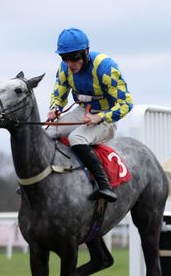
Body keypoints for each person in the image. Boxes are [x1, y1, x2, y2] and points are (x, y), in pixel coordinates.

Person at [46, 27, 133, 202]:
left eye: (75, 58)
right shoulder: (64, 68)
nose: (70, 64)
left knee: (76, 138)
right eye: (65, 58)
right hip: (82, 111)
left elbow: (126, 103)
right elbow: (59, 94)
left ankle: (104, 185)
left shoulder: (106, 67)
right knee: (49, 133)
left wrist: (99, 117)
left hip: (107, 117)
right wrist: (55, 108)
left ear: (86, 52)